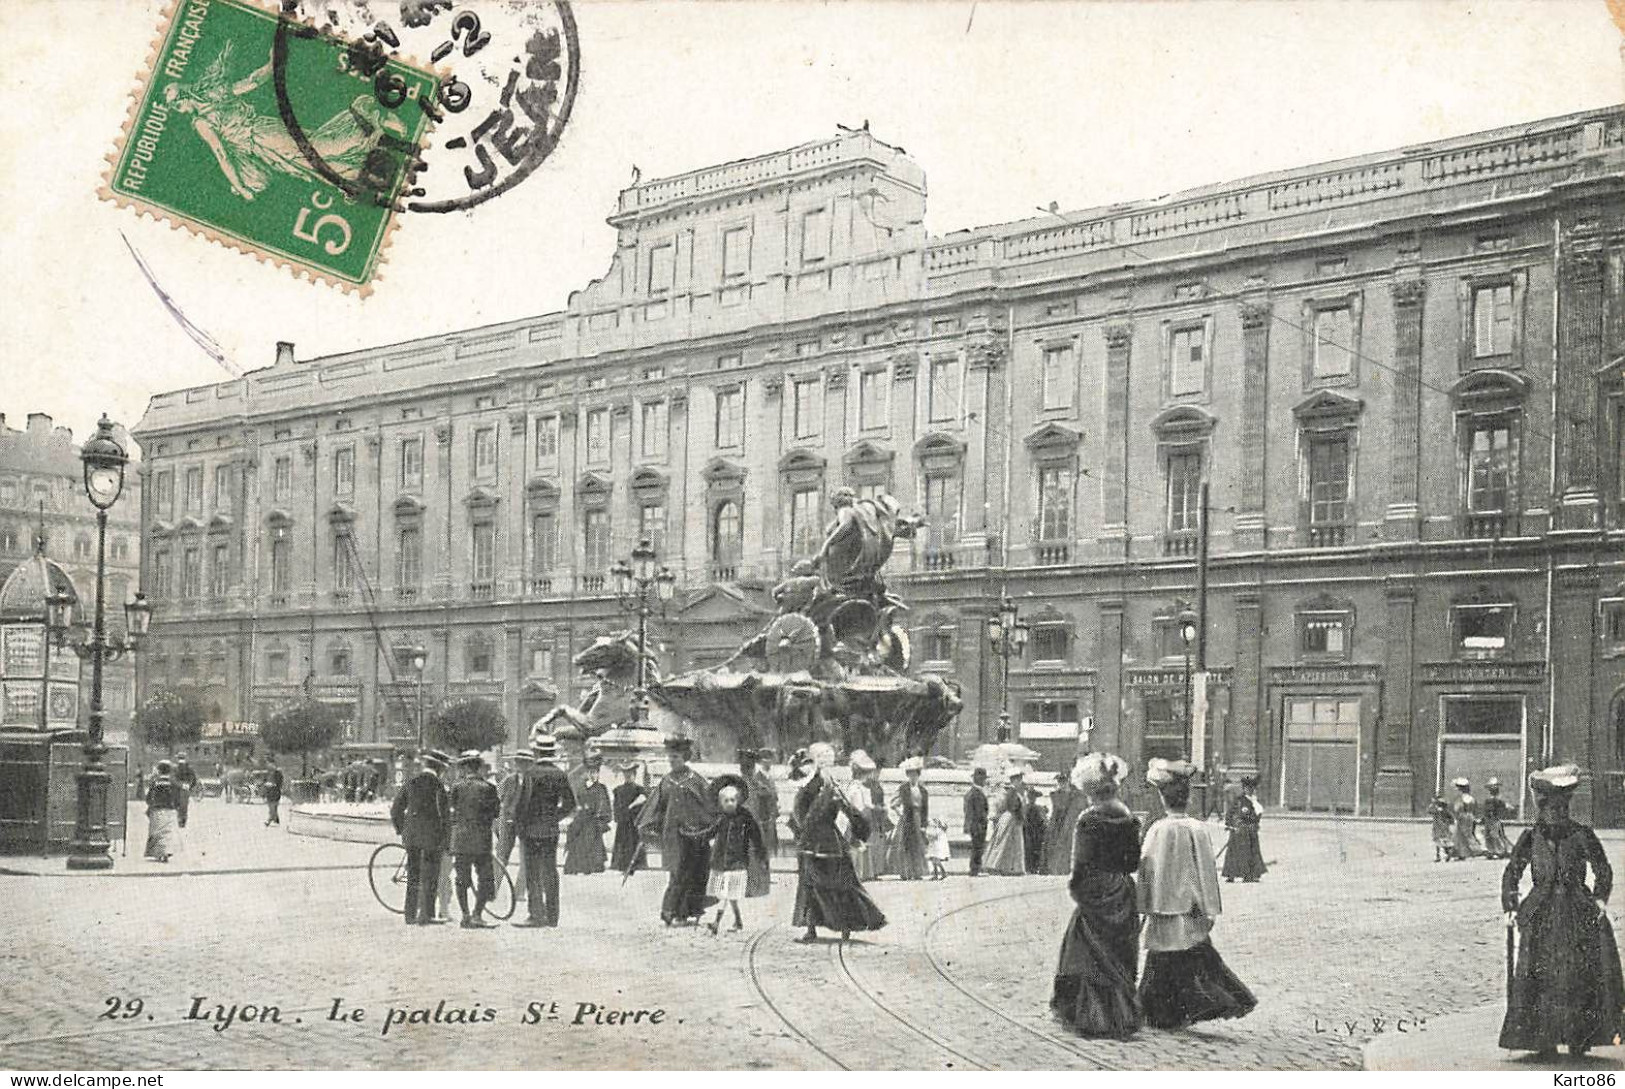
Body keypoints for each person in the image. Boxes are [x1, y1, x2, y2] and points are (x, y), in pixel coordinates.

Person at [1499, 764, 1625, 1058]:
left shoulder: (1583, 835)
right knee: (1540, 975)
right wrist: (1510, 905)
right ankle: (1543, 1039)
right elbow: (1512, 873)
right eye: (1550, 807)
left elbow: (1603, 869)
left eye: (1561, 807)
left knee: (1577, 974)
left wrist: (1599, 899)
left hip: (1576, 911)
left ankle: (1579, 1037)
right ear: (1542, 807)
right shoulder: (1530, 838)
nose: (1556, 813)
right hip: (1541, 912)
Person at [1136, 758, 1256, 1029]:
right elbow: (1207, 870)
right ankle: (1175, 1009)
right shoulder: (1198, 829)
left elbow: (1146, 870)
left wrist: (1142, 907)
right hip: (1190, 907)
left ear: (1162, 799)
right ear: (1188, 799)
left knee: (1162, 958)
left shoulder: (1157, 830)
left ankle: (1160, 1011)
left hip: (1163, 908)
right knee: (1191, 956)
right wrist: (1209, 907)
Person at [1050, 753, 1142, 1039]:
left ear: (1091, 792)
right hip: (1122, 890)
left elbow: (1080, 863)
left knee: (1084, 950)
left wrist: (1077, 890)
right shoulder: (1127, 816)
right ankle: (1123, 1015)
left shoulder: (1088, 819)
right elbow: (1133, 862)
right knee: (1118, 950)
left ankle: (1089, 1015)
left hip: (1096, 888)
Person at [791, 742, 887, 943]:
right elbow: (845, 809)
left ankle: (833, 927)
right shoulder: (825, 785)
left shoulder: (822, 785)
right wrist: (861, 829)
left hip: (817, 843)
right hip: (822, 843)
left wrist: (860, 829)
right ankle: (827, 928)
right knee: (826, 885)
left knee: (821, 885)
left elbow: (813, 813)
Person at [637, 736, 717, 927]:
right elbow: (656, 807)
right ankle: (668, 910)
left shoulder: (696, 780)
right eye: (670, 758)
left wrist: (708, 827)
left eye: (676, 758)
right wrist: (648, 826)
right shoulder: (666, 782)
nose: (672, 761)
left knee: (694, 873)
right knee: (676, 872)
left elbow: (709, 805)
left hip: (695, 837)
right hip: (673, 837)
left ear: (685, 758)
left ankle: (685, 911)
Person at [513, 735, 575, 928]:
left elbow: (523, 803)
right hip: (550, 830)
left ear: (537, 752)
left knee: (532, 872)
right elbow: (570, 803)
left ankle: (536, 915)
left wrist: (519, 824)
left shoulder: (531, 773)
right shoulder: (560, 774)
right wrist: (554, 817)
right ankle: (553, 915)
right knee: (550, 870)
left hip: (531, 829)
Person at [389, 749, 452, 926]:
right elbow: (445, 817)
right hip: (433, 837)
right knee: (431, 876)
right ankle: (426, 914)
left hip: (412, 837)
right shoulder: (439, 786)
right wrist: (447, 841)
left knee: (414, 875)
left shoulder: (412, 782)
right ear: (440, 768)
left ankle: (409, 915)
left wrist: (402, 829)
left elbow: (396, 809)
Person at [703, 774, 768, 935]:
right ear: (721, 803)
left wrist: (761, 854)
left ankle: (716, 922)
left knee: (726, 893)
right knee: (730, 895)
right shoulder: (721, 819)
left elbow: (756, 836)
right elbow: (710, 832)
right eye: (726, 801)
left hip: (738, 861)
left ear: (738, 800)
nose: (730, 804)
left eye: (733, 800)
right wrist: (694, 837)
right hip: (721, 862)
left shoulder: (745, 816)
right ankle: (738, 921)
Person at [449, 751, 501, 929]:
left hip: (461, 839)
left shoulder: (456, 787)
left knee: (462, 878)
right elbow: (496, 813)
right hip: (481, 840)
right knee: (485, 878)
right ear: (479, 767)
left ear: (465, 768)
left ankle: (465, 915)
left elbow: (453, 809)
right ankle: (477, 914)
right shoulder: (489, 788)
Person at [497, 750, 534, 903]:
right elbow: (498, 799)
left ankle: (520, 892)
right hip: (507, 821)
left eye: (525, 763)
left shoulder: (533, 781)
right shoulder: (508, 780)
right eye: (519, 762)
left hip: (526, 822)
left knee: (526, 858)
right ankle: (493, 888)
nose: (521, 765)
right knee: (501, 856)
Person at [563, 758, 611, 875]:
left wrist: (600, 815)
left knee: (591, 840)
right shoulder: (581, 787)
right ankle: (576, 866)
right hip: (582, 818)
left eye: (595, 772)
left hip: (593, 820)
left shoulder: (601, 788)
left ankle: (591, 866)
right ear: (587, 773)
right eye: (591, 772)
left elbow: (605, 803)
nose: (593, 775)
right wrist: (580, 808)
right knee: (576, 837)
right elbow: (577, 801)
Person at [740, 748, 777, 896]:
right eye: (745, 766)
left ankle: (756, 887)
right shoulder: (741, 782)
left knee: (756, 854)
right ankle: (751, 887)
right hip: (746, 823)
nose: (747, 769)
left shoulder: (755, 782)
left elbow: (767, 795)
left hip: (756, 822)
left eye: (749, 766)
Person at [888, 756, 930, 880]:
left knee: (918, 846)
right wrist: (900, 814)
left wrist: (924, 824)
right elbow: (893, 803)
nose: (913, 777)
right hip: (907, 819)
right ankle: (905, 872)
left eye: (915, 775)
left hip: (918, 819)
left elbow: (925, 808)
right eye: (910, 775)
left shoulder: (923, 790)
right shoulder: (904, 788)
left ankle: (917, 872)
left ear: (918, 775)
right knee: (906, 846)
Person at [1221, 774, 1267, 883]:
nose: (1249, 790)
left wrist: (1255, 822)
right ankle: (1231, 874)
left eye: (1251, 788)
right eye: (1247, 788)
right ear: (1244, 788)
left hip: (1250, 832)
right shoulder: (1239, 800)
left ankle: (1250, 874)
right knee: (1234, 853)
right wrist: (1229, 824)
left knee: (1251, 852)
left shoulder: (1255, 802)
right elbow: (1231, 813)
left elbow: (1256, 816)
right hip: (1239, 831)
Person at [982, 768, 1029, 875]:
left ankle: (1007, 867)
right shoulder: (1012, 793)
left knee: (1009, 843)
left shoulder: (1015, 792)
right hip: (1011, 818)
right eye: (1018, 780)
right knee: (1006, 842)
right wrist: (1020, 816)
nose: (1020, 782)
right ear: (1014, 781)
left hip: (1011, 817)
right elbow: (1013, 807)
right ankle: (1000, 866)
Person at [1044, 767, 1087, 875]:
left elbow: (1079, 807)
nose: (1062, 784)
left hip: (1070, 822)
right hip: (1058, 823)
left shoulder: (1076, 795)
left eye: (1064, 781)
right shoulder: (1056, 794)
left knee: (1069, 844)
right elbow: (1055, 809)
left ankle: (1067, 868)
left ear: (1068, 781)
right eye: (1060, 781)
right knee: (1055, 844)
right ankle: (1056, 868)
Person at [609, 762, 648, 875]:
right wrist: (617, 817)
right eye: (626, 774)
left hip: (634, 822)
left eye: (630, 774)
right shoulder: (618, 790)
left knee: (633, 843)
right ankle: (621, 865)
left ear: (634, 776)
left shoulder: (639, 790)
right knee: (623, 843)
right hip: (623, 821)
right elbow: (616, 805)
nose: (628, 776)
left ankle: (634, 865)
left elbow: (644, 804)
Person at [143, 760, 182, 863]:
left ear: (159, 770)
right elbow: (178, 798)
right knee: (167, 832)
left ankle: (158, 852)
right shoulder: (174, 783)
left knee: (157, 832)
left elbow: (148, 798)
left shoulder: (155, 783)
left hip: (156, 810)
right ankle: (166, 852)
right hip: (170, 810)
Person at [963, 767, 990, 876]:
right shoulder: (977, 793)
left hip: (974, 824)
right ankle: (975, 869)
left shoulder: (971, 792)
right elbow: (980, 812)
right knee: (978, 846)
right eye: (983, 779)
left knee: (976, 846)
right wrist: (985, 820)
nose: (985, 781)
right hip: (978, 824)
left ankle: (975, 869)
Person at [1450, 777, 1484, 861]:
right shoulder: (1471, 798)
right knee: (1468, 833)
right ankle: (1469, 851)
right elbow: (1475, 808)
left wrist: (1456, 816)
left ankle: (1464, 852)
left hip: (1462, 817)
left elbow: (1457, 808)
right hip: (1470, 816)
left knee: (1460, 835)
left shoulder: (1460, 799)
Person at [1481, 777, 1514, 859]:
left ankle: (1499, 851)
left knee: (1495, 835)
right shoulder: (1491, 800)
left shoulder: (1496, 800)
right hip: (1490, 820)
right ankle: (1493, 850)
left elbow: (1508, 807)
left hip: (1494, 819)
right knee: (1490, 835)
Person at [1024, 784, 1049, 875]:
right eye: (1030, 796)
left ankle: (1033, 867)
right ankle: (1031, 867)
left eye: (1033, 797)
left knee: (1034, 849)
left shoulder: (1038, 808)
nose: (1032, 798)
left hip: (1036, 831)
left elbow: (1043, 820)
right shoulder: (1027, 807)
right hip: (1029, 831)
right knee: (1030, 849)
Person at [1428, 794, 1455, 862]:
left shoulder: (1436, 811)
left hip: (1437, 828)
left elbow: (1429, 811)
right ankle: (1447, 852)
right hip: (1444, 828)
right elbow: (1451, 818)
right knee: (1444, 841)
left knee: (1438, 842)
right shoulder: (1445, 811)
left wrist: (1433, 804)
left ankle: (1439, 855)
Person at [173, 755, 198, 829]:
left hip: (178, 788)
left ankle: (180, 819)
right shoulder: (189, 768)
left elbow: (173, 779)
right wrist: (190, 786)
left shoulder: (176, 768)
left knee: (178, 804)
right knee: (184, 804)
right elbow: (194, 779)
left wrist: (179, 785)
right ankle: (183, 820)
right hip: (186, 788)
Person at [263, 761, 285, 826]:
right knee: (273, 807)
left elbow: (279, 783)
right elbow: (264, 781)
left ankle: (268, 821)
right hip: (269, 792)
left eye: (271, 765)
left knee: (272, 807)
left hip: (275, 793)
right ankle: (276, 819)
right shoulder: (268, 773)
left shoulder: (277, 774)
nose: (269, 766)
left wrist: (272, 784)